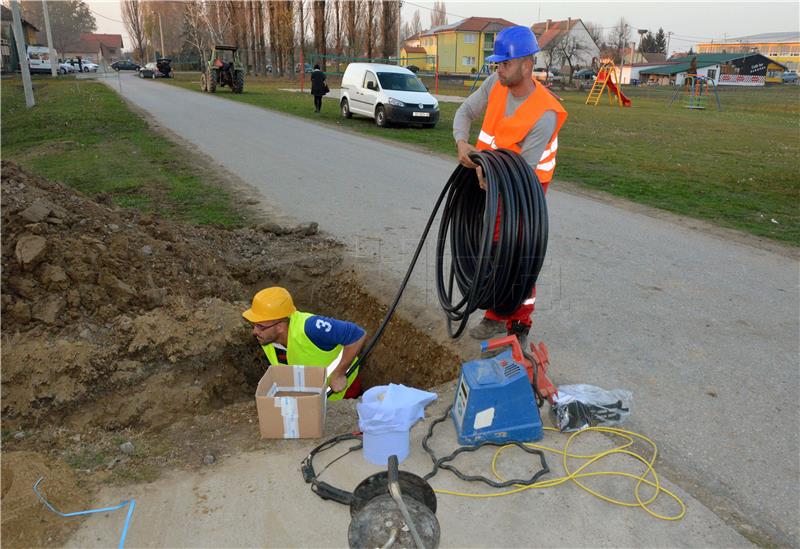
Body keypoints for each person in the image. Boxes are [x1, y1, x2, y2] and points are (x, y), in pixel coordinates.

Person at [452, 25, 568, 348]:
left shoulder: (543, 113)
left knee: (518, 250)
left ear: (527, 65)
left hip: (525, 188)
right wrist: (462, 143)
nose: (498, 68)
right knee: (488, 242)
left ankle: (519, 320)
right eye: (497, 63)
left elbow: (520, 171)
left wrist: (487, 174)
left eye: (505, 63)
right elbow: (464, 112)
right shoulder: (495, 85)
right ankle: (495, 312)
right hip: (487, 175)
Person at [243, 287, 365, 400]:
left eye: (260, 326)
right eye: (254, 325)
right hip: (313, 396)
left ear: (280, 327)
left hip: (344, 391)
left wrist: (339, 373)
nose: (255, 332)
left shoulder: (310, 327)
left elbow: (357, 335)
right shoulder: (268, 338)